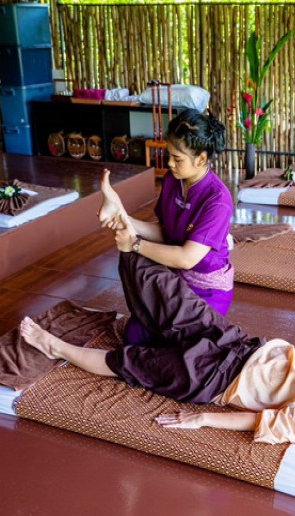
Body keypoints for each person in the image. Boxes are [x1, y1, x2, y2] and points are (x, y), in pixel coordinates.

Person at [19, 252, 295, 445]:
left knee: (130, 363)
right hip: (235, 341)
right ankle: (132, 257)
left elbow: (266, 422)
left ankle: (55, 347)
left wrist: (203, 420)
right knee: (155, 280)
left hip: (214, 379)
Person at [99, 108, 234, 345]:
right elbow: (166, 232)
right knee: (134, 338)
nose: (170, 163)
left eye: (177, 158)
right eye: (169, 154)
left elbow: (186, 258)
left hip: (206, 292)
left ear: (201, 159)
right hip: (176, 277)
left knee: (173, 348)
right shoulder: (172, 179)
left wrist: (135, 243)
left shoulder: (218, 200)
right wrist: (125, 219)